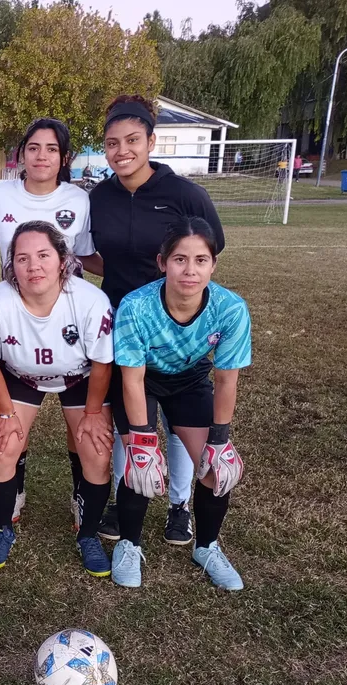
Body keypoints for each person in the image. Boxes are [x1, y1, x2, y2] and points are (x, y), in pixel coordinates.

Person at [87, 94, 225, 548]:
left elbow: (207, 250)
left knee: (181, 420)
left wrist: (171, 293)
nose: (122, 150)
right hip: (122, 324)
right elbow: (94, 253)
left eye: (131, 140)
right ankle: (132, 489)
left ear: (150, 141)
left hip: (177, 325)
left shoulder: (185, 194)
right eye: (111, 143)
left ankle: (180, 506)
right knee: (133, 421)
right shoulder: (100, 196)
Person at [110, 217, 250, 591]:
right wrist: (141, 438)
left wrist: (220, 440)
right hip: (142, 380)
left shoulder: (230, 309)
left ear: (213, 264)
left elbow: (225, 378)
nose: (190, 270)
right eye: (180, 259)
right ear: (162, 263)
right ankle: (128, 544)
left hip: (189, 380)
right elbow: (132, 379)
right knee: (140, 465)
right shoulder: (136, 306)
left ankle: (206, 547)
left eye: (201, 260)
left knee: (214, 468)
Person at [0, 221, 115, 574]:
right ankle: (3, 528)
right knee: (2, 447)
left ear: (62, 261)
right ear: (11, 265)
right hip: (21, 376)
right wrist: (6, 412)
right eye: (22, 258)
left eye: (43, 255)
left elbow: (102, 363)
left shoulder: (89, 301)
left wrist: (94, 411)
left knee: (96, 451)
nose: (33, 266)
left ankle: (87, 535)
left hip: (80, 377)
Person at [0, 117, 96, 524]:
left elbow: (85, 253)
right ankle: (17, 486)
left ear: (64, 157)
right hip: (19, 316)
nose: (41, 156)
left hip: (69, 321)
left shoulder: (78, 199)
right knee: (12, 422)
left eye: (51, 149)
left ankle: (82, 493)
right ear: (21, 154)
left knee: (82, 426)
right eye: (33, 147)